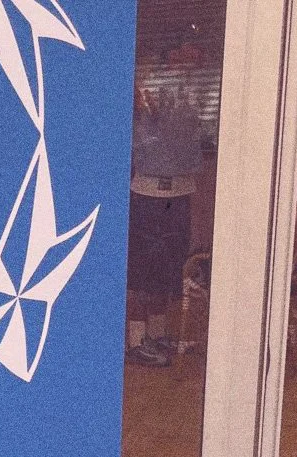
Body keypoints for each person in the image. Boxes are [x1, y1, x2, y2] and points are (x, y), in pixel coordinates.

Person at [125, 46, 205, 367]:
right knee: (143, 271)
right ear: (171, 55)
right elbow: (141, 135)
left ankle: (156, 334)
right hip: (147, 193)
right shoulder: (148, 88)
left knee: (169, 270)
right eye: (188, 53)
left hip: (180, 190)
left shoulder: (191, 94)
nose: (195, 61)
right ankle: (135, 341)